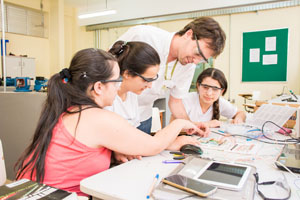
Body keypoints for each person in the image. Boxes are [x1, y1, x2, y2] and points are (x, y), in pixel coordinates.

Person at [15, 48, 204, 196]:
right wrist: (179, 123)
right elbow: (153, 145)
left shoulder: (70, 110)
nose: (119, 86)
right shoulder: (97, 117)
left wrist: (113, 152)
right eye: (116, 81)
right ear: (98, 87)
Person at [116, 16, 226, 134]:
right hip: (115, 113)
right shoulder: (143, 35)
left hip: (142, 118)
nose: (196, 61)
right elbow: (107, 65)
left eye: (202, 60)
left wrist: (192, 126)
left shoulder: (188, 66)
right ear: (189, 34)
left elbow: (176, 102)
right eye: (197, 54)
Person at [106, 41, 207, 162]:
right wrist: (178, 124)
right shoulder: (107, 100)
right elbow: (115, 145)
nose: (150, 86)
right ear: (127, 74)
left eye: (153, 79)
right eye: (146, 80)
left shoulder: (131, 95)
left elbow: (135, 138)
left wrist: (168, 143)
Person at [182, 68, 246, 128]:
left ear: (222, 91)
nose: (209, 93)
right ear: (198, 86)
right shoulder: (187, 99)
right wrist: (207, 124)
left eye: (215, 89)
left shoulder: (220, 102)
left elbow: (241, 113)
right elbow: (175, 124)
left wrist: (238, 119)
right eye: (205, 87)